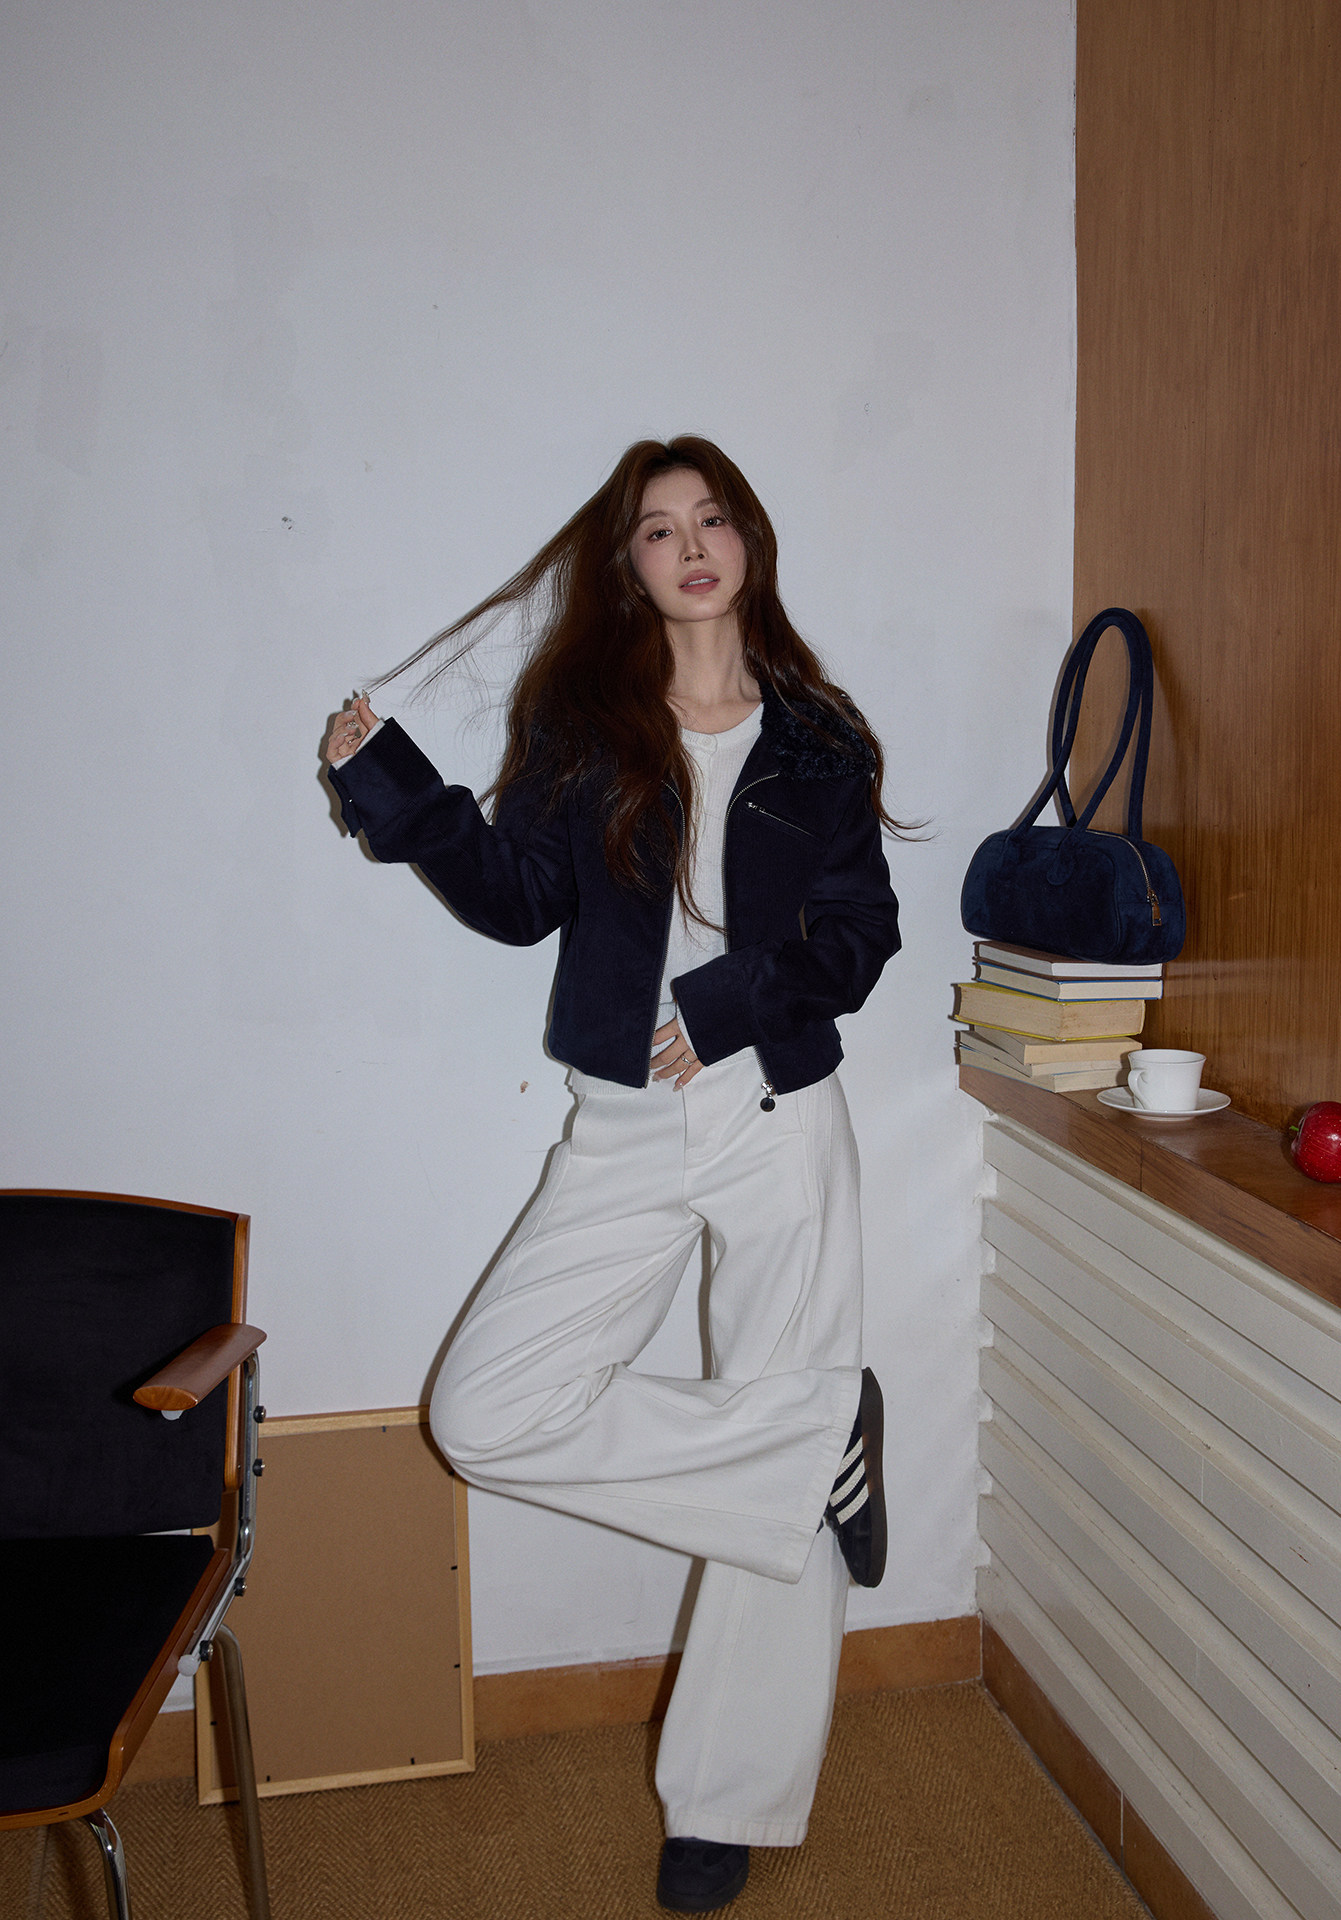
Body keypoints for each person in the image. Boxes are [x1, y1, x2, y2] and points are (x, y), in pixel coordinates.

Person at [324, 436, 902, 1914]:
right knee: (487, 1411)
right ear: (630, 565)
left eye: (713, 519)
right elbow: (521, 903)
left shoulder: (822, 739)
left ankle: (727, 1801)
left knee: (773, 1398)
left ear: (749, 542)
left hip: (776, 1108)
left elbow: (859, 939)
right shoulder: (585, 726)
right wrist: (394, 791)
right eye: (659, 529)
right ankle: (820, 1438)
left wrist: (725, 1007)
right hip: (622, 1124)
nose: (691, 546)